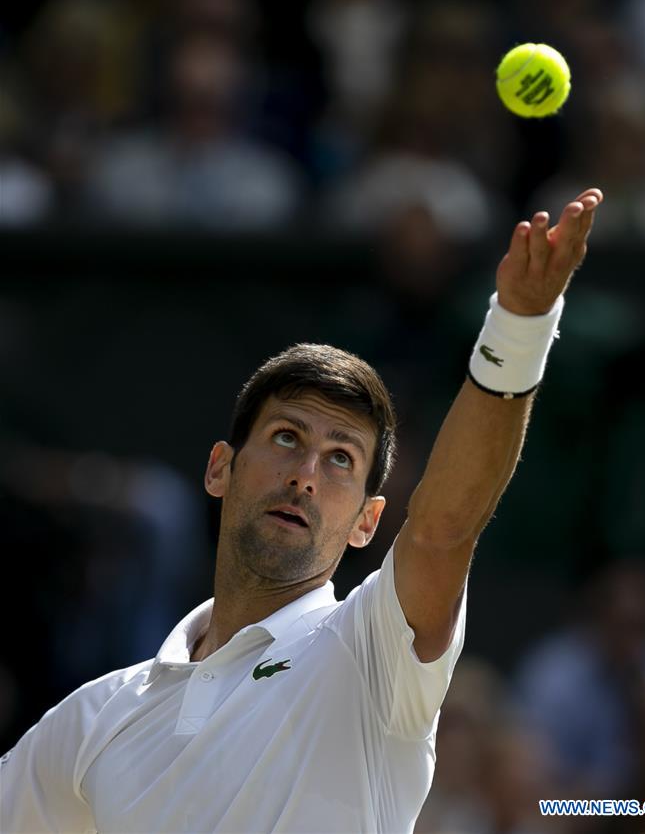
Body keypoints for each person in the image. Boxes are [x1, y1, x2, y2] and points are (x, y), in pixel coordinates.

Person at [0, 188, 603, 833]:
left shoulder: (368, 653)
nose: (306, 477)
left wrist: (518, 327)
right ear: (220, 468)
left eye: (341, 458)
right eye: (287, 438)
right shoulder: (94, 718)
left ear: (369, 521)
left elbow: (442, 531)